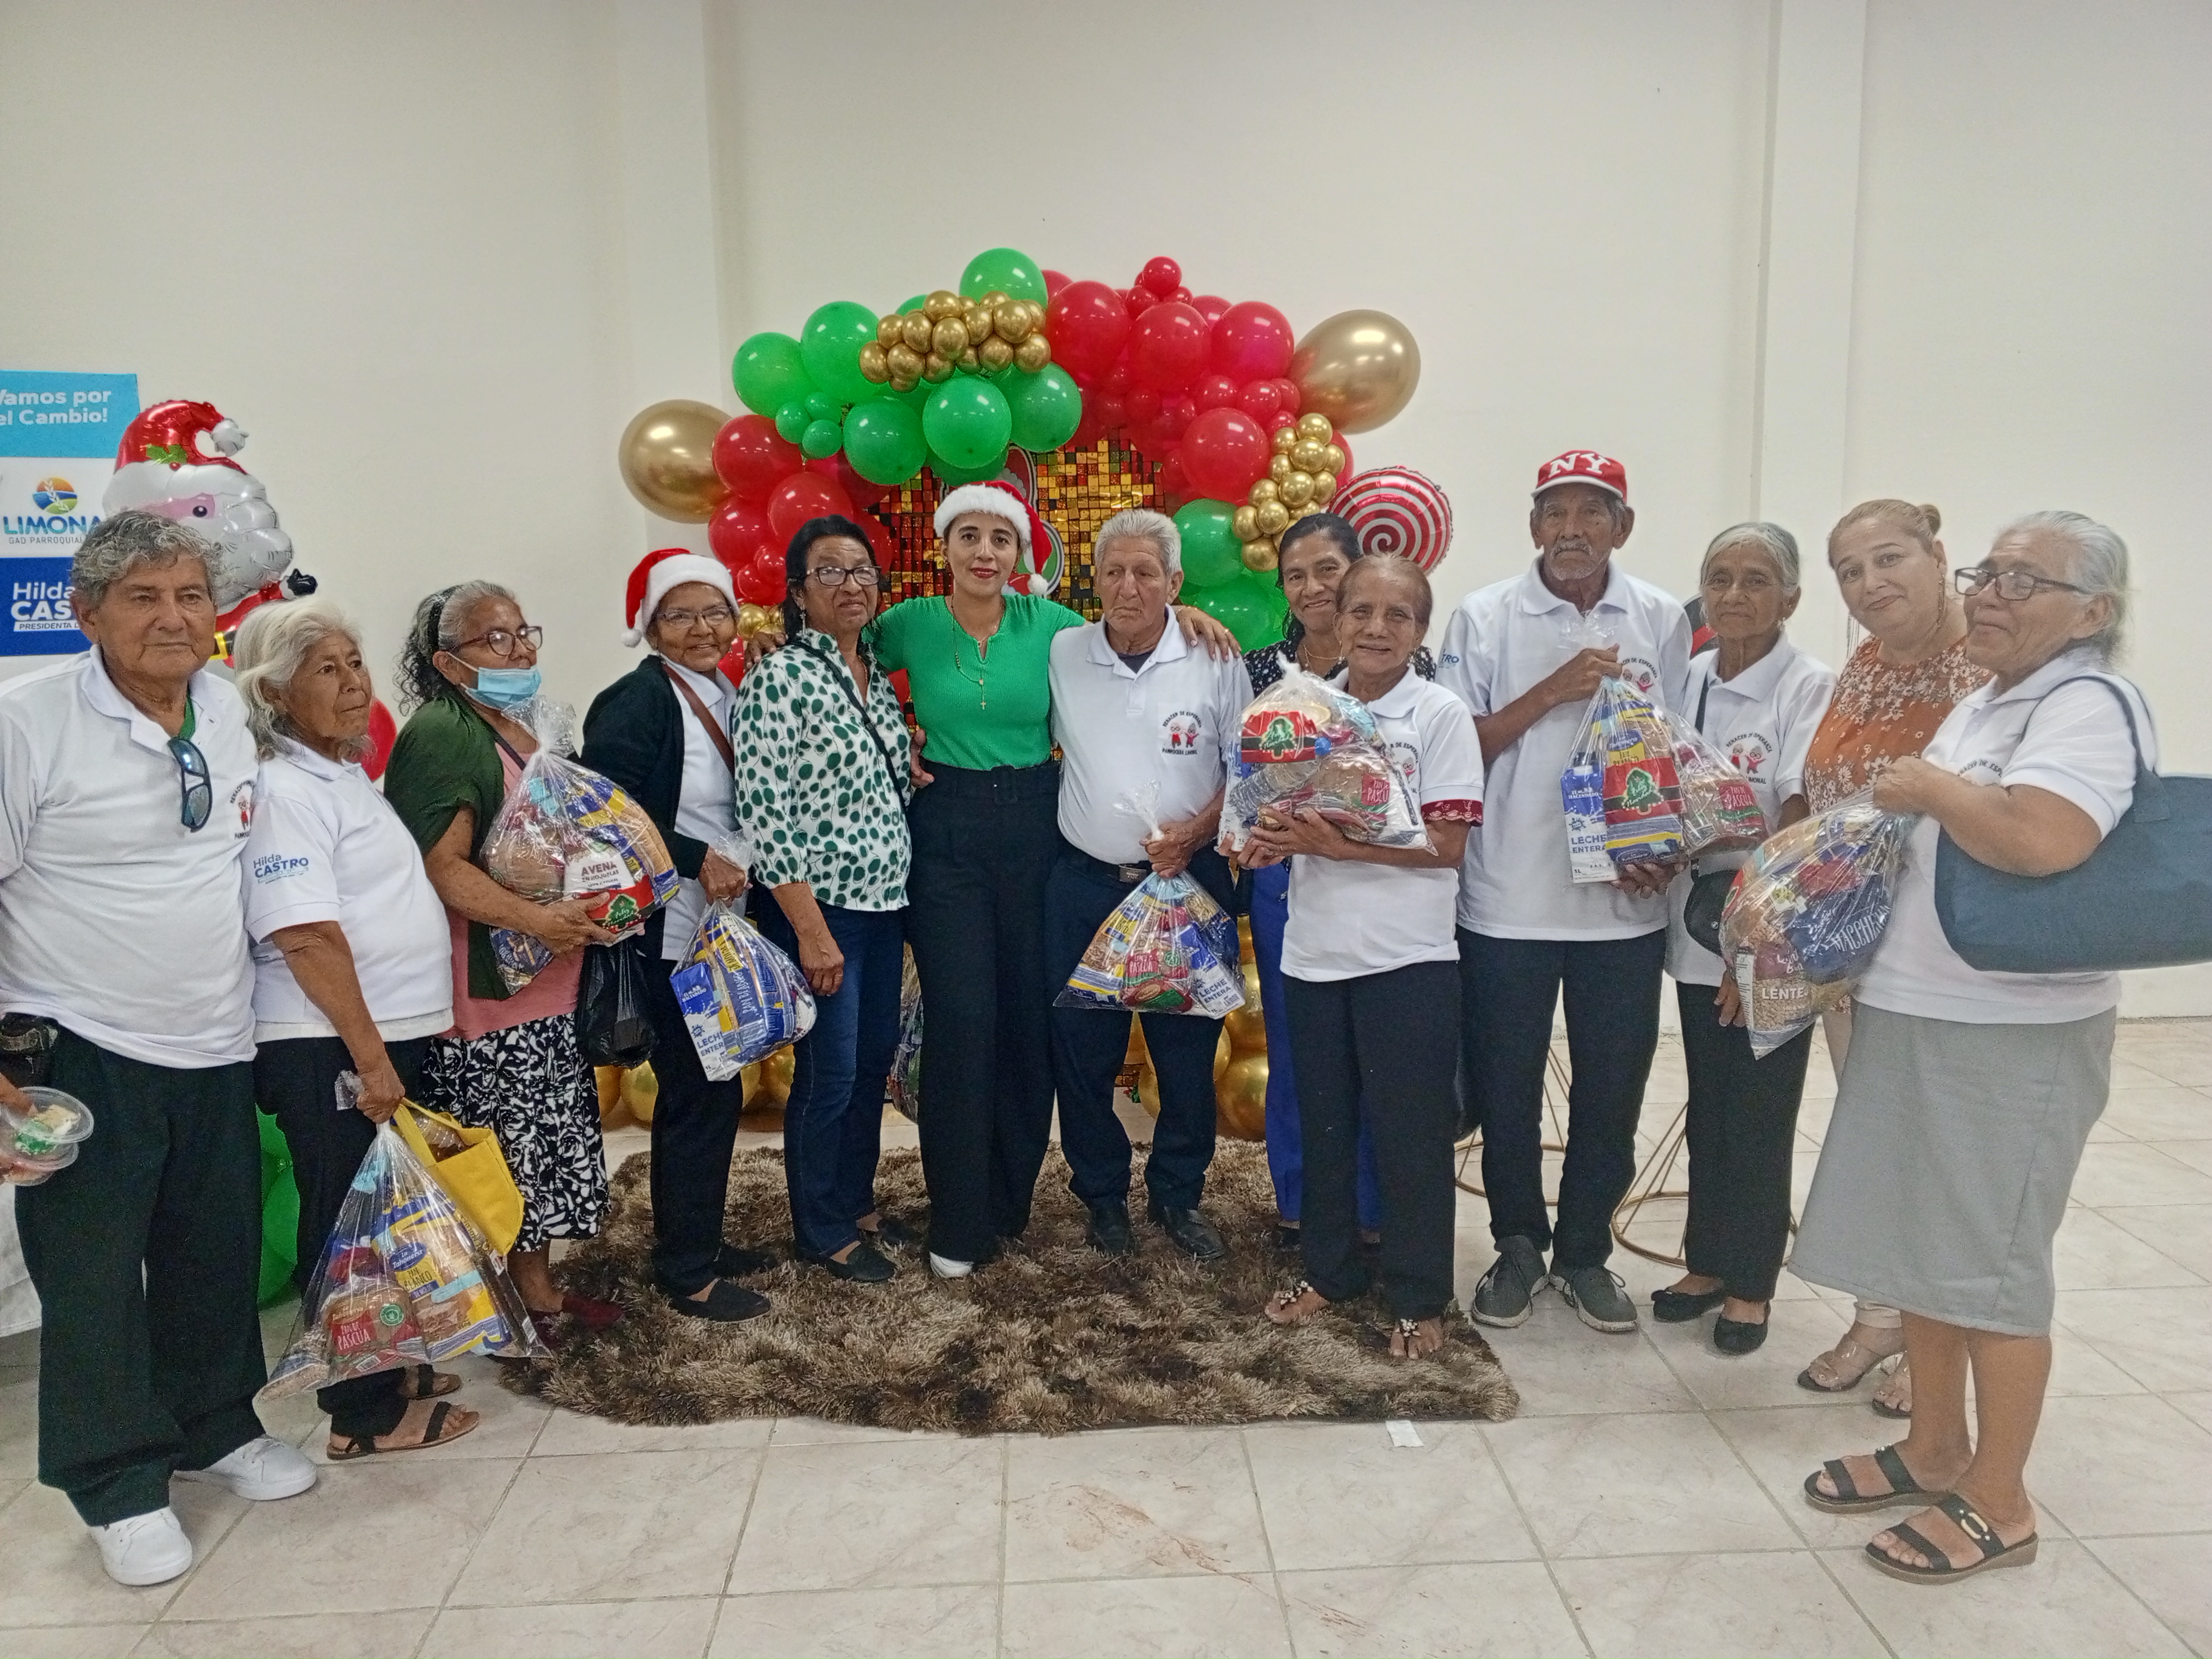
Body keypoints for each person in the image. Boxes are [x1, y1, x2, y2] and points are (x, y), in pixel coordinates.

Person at [1796, 511, 2145, 1586]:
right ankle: (1935, 1446)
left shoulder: (2087, 706)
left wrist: (1927, 786)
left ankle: (2000, 1501)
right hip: (1920, 1008)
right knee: (1924, 1250)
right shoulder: (1991, 700)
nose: (1990, 594)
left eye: (2021, 581)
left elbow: (2043, 839)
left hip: (2013, 1033)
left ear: (2092, 612)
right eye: (1990, 574)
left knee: (1991, 1270)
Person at [0, 512, 317, 1587]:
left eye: (190, 596)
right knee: (92, 1279)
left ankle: (217, 1425)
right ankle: (115, 1481)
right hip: (80, 1043)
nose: (173, 618)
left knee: (212, 1255)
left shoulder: (223, 707)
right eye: (142, 598)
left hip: (214, 1036)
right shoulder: (28, 723)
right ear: (86, 614)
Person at [870, 482, 1234, 1278]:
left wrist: (1189, 618)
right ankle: (1013, 1211)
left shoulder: (1101, 638)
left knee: (1107, 1043)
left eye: (1001, 539)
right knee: (1008, 1034)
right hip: (1001, 852)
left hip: (1097, 852)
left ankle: (1108, 1201)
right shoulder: (954, 629)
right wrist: (899, 737)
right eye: (968, 535)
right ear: (943, 546)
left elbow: (1230, 749)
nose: (984, 552)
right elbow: (846, 660)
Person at [1440, 451, 1691, 1335]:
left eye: (1593, 513)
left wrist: (1664, 846)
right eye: (1557, 513)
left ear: (1623, 526)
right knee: (1507, 1092)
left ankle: (1585, 1252)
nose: (1573, 530)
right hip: (1507, 899)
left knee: (1611, 1093)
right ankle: (1517, 1245)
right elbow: (1455, 746)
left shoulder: (1659, 617)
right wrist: (1554, 689)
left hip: (1623, 908)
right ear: (1534, 525)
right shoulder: (1485, 616)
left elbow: (1675, 748)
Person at [234, 600, 480, 1456]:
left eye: (354, 663)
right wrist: (372, 1059)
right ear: (274, 693)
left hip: (376, 1032)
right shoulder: (283, 790)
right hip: (327, 1040)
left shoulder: (339, 774)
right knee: (351, 1228)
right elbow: (304, 935)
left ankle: (393, 1367)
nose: (352, 683)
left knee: (387, 1220)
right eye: (325, 669)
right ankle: (363, 1415)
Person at [1251, 556, 1483, 1357]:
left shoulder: (1439, 714)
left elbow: (1448, 846)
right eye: (1362, 612)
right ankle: (1331, 1271)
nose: (1377, 629)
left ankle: (1420, 1296)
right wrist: (1265, 840)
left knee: (1410, 1137)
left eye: (1398, 615)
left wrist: (1341, 849)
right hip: (1314, 957)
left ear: (1421, 631)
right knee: (1326, 1129)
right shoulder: (1307, 710)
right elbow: (1274, 813)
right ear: (1337, 618)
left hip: (1408, 961)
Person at [382, 582, 623, 1348]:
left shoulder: (521, 723)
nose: (518, 651)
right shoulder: (442, 734)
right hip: (486, 991)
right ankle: (500, 1310)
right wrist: (538, 920)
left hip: (547, 979)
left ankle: (537, 1291)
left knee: (541, 1147)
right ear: (447, 663)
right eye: (495, 639)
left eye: (524, 633)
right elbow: (441, 868)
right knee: (502, 1157)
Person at [1794, 500, 1987, 1412]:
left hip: (1948, 958)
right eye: (1850, 570)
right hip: (1852, 953)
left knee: (1944, 1156)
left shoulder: (1989, 670)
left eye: (1889, 559)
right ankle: (1881, 1317)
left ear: (1938, 555)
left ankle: (1941, 1340)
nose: (1870, 584)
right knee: (1872, 1141)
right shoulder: (1866, 664)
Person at [1046, 508, 1248, 1262]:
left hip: (1189, 881)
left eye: (1146, 573)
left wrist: (1193, 833)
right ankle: (1102, 1196)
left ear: (1175, 581)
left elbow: (1246, 769)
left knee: (1186, 1055)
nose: (1128, 588)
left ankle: (1178, 1194)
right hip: (1085, 887)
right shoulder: (1063, 651)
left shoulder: (1214, 656)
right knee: (1083, 1056)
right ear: (1094, 580)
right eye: (1114, 572)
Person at [1651, 525, 1834, 1354]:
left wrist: (1755, 947)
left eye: (1756, 580)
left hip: (1772, 927)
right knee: (1711, 1101)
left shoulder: (1806, 685)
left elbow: (1797, 820)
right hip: (1698, 921)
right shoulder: (1687, 677)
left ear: (1790, 597)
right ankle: (1707, 1263)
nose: (1733, 595)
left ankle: (1752, 1284)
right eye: (1719, 578)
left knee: (1760, 1109)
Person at [580, 550, 773, 1322]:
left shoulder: (726, 688)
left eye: (714, 612)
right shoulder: (637, 700)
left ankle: (701, 1240)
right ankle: (686, 1269)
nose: (702, 629)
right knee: (697, 1092)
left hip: (716, 924)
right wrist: (696, 858)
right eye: (681, 615)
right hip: (668, 928)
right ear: (651, 626)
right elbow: (608, 813)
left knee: (716, 1089)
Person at [1243, 512, 1430, 1250]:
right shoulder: (1259, 670)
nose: (1313, 587)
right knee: (1297, 1046)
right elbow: (1241, 773)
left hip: (1384, 881)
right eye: (1295, 575)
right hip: (1285, 877)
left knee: (1377, 1054)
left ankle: (1378, 1212)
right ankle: (1302, 1205)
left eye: (1328, 569)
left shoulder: (1410, 666)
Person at [736, 518, 915, 1282]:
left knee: (871, 1066)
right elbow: (765, 816)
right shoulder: (779, 678)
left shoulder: (873, 674)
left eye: (863, 571)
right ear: (799, 592)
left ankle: (855, 1201)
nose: (851, 585)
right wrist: (810, 933)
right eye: (831, 572)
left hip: (885, 907)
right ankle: (821, 1229)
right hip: (824, 912)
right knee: (831, 1074)